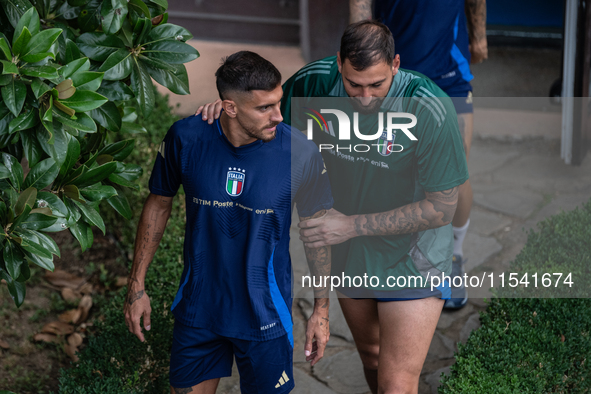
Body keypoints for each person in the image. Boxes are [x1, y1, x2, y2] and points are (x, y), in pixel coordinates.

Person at [197, 21, 469, 394]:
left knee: (398, 383)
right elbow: (263, 118)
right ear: (339, 63)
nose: (365, 96)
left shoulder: (430, 107)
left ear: (396, 64)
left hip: (413, 252)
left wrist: (351, 225)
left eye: (377, 84)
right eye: (354, 84)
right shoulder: (311, 84)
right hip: (348, 250)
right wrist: (230, 111)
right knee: (372, 357)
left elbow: (442, 209)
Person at [124, 51, 334, 394]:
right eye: (264, 108)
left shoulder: (301, 152)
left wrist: (321, 311)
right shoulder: (186, 138)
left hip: (265, 313)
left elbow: (318, 233)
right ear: (230, 107)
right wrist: (137, 285)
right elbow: (159, 203)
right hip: (200, 309)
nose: (278, 116)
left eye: (278, 102)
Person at [350, 0, 488, 309]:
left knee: (453, 176)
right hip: (389, 78)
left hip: (447, 76)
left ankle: (453, 255)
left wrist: (478, 36)